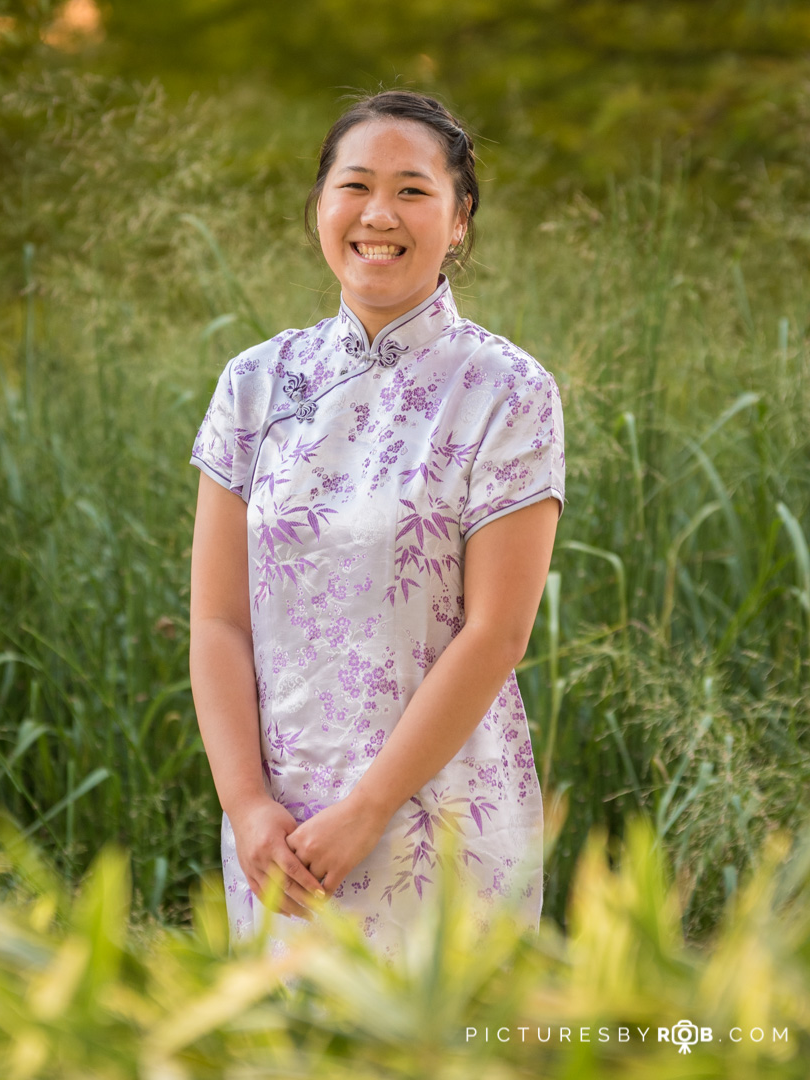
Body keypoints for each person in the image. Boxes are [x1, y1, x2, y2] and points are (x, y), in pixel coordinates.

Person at [189, 89, 565, 960]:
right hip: (277, 832)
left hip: (443, 816)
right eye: (354, 185)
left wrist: (366, 810)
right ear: (320, 206)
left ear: (460, 219)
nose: (378, 214)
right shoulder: (254, 383)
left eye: (413, 190)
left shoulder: (507, 391)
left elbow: (497, 632)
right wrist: (247, 805)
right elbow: (217, 620)